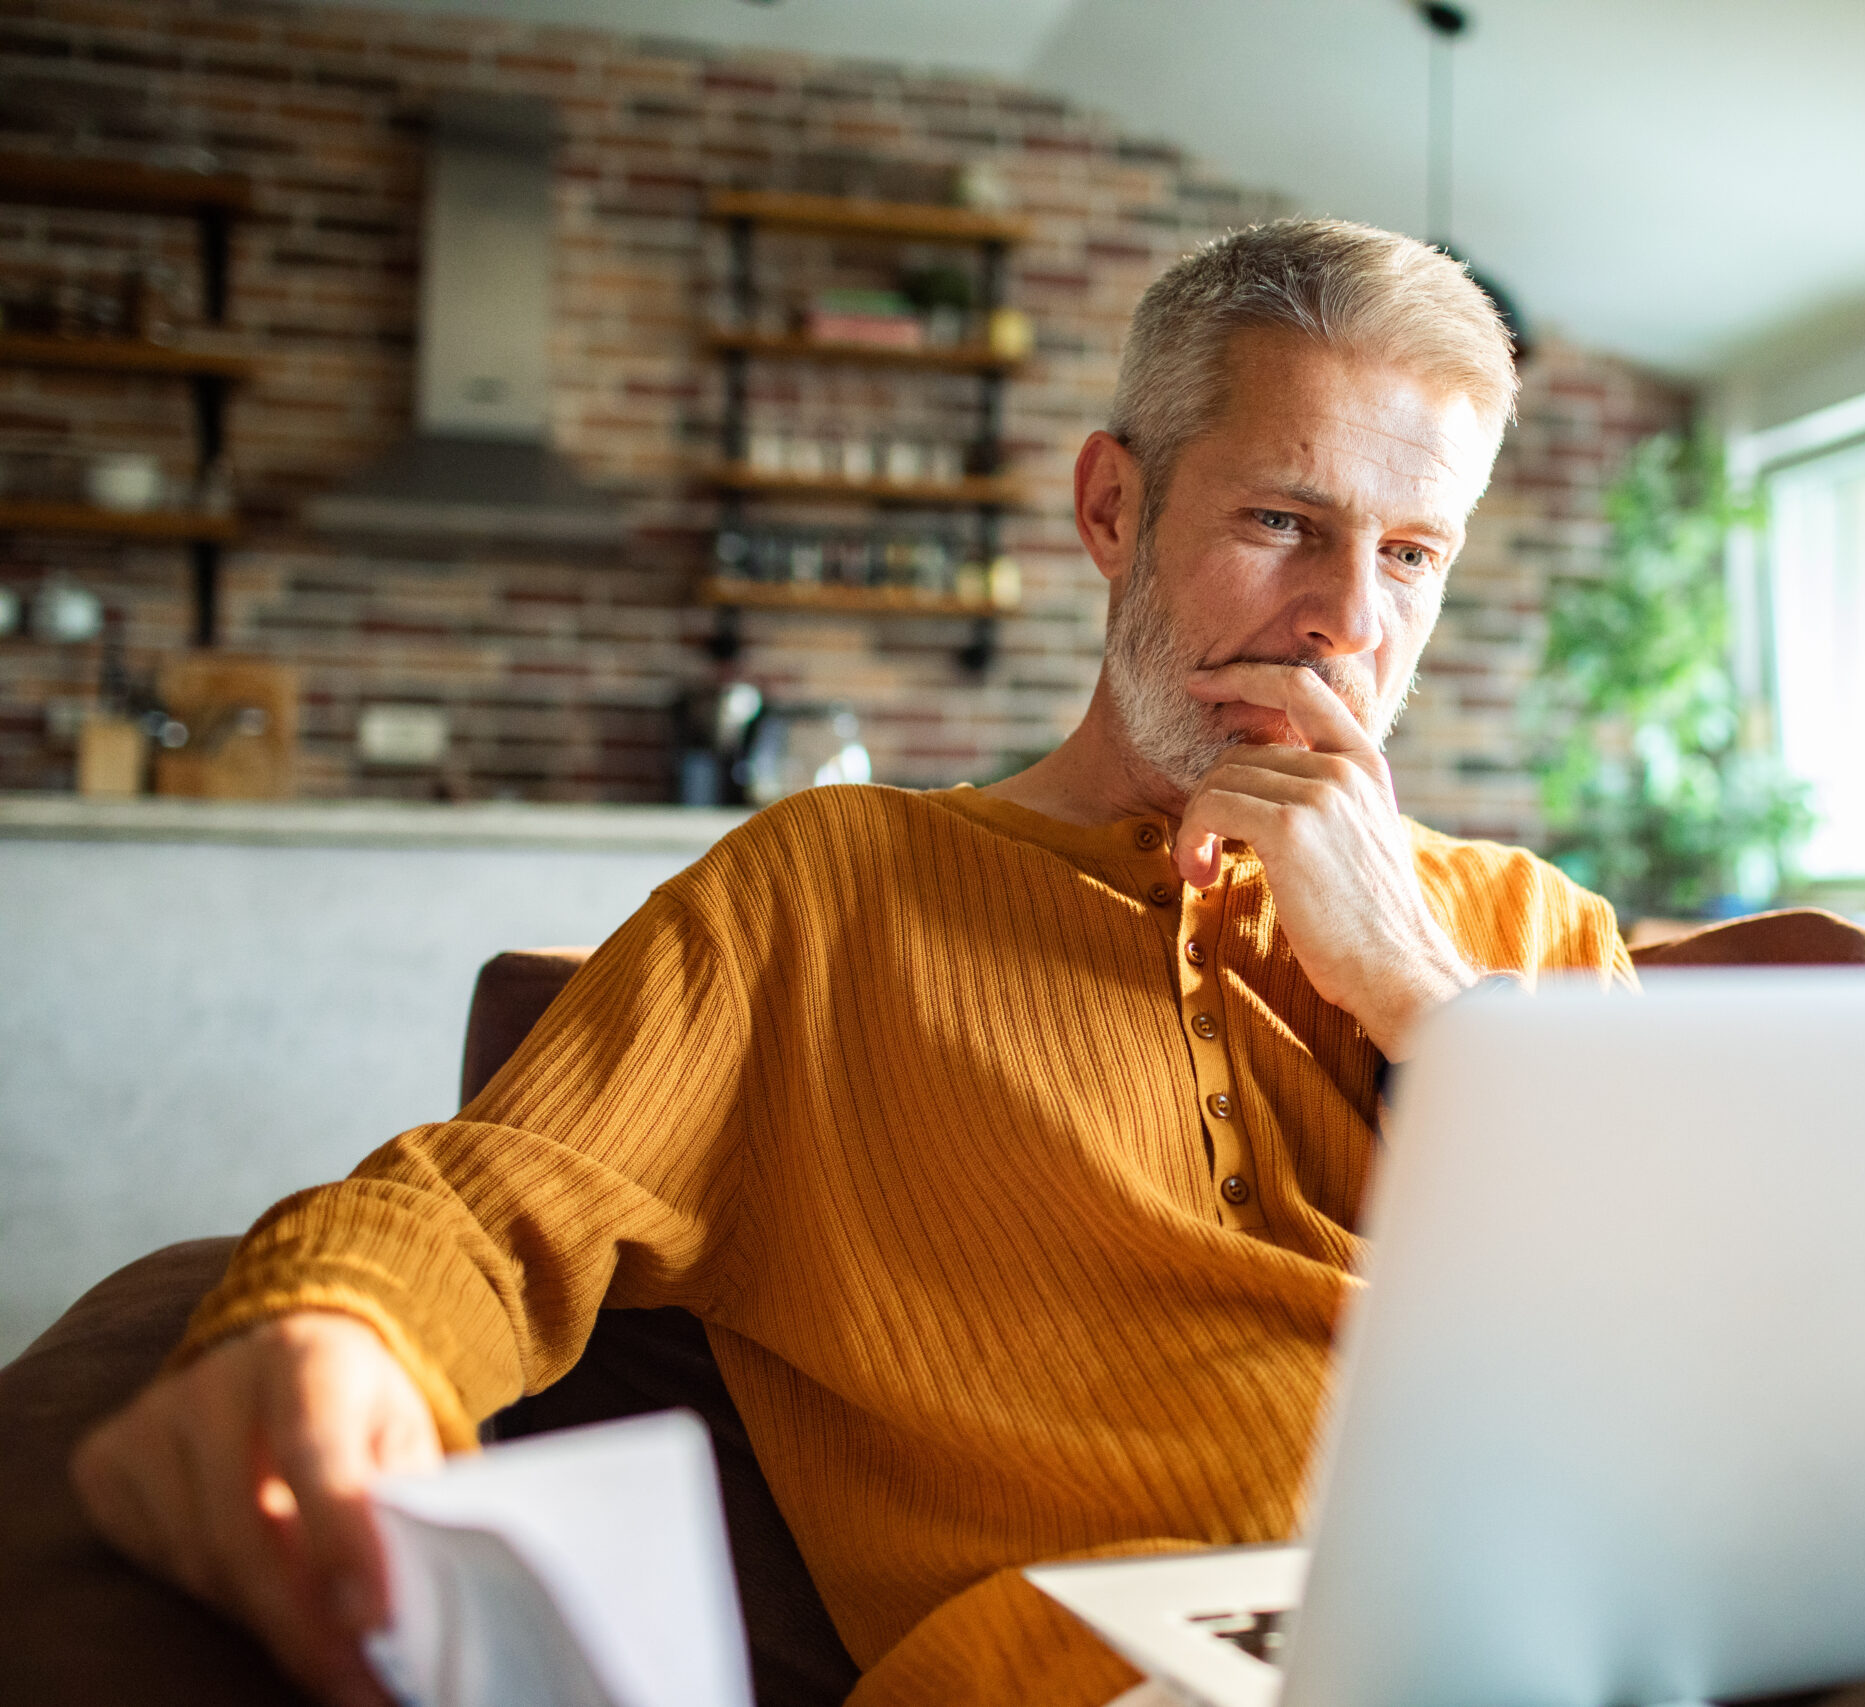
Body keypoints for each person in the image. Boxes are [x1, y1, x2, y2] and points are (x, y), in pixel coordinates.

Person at [69, 218, 1631, 1707]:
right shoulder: (825, 892)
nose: (1342, 625)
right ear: (1112, 510)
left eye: (1414, 554)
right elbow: (486, 1207)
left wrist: (1428, 1004)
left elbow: (1687, 1378)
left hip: (1592, 1636)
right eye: (1283, 523)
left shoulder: (1530, 934)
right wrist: (327, 1335)